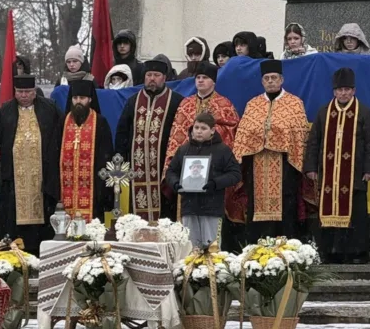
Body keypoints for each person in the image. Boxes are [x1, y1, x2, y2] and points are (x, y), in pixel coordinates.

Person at [304, 67, 370, 263]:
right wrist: (311, 167)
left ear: (354, 90)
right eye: (340, 90)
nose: (343, 93)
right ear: (334, 91)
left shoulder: (365, 112)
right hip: (329, 175)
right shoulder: (324, 112)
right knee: (328, 215)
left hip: (355, 175)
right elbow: (314, 141)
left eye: (347, 89)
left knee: (356, 215)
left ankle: (357, 253)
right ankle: (330, 252)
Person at [233, 59, 310, 241]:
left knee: (287, 203)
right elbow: (243, 133)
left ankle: (287, 245)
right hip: (256, 164)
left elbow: (300, 135)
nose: (270, 81)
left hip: (285, 164)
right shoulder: (253, 104)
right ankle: (257, 245)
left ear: (282, 79)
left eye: (274, 78)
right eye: (266, 78)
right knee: (255, 203)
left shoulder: (294, 103)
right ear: (262, 82)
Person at [0, 76, 63, 253]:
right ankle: (13, 249)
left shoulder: (49, 108)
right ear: (15, 92)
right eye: (20, 92)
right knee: (13, 210)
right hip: (14, 172)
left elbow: (62, 130)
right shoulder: (5, 110)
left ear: (34, 92)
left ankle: (41, 248)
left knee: (43, 207)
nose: (24, 96)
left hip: (43, 170)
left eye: (28, 92)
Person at [164, 63, 242, 231]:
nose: (200, 81)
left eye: (205, 78)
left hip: (214, 169)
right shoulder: (185, 104)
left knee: (211, 228)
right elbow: (176, 135)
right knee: (188, 225)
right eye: (198, 77)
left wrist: (213, 133)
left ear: (213, 81)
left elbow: (232, 132)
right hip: (187, 167)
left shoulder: (224, 104)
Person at [114, 57, 184, 221]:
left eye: (156, 75)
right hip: (136, 170)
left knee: (165, 216)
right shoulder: (133, 101)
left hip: (163, 170)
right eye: (149, 75)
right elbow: (122, 133)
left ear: (164, 78)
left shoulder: (176, 101)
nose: (152, 79)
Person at [166, 112, 242, 248]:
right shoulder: (184, 150)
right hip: (189, 207)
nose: (199, 131)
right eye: (196, 127)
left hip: (211, 207)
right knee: (190, 248)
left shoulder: (222, 150)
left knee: (212, 248)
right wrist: (176, 184)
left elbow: (235, 174)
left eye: (203, 128)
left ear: (212, 130)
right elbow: (171, 171)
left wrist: (215, 183)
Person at [59, 80, 114, 221]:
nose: (78, 102)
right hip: (65, 189)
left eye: (82, 98)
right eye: (75, 98)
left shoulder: (100, 122)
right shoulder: (62, 124)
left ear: (90, 99)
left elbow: (106, 158)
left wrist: (102, 189)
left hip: (93, 189)